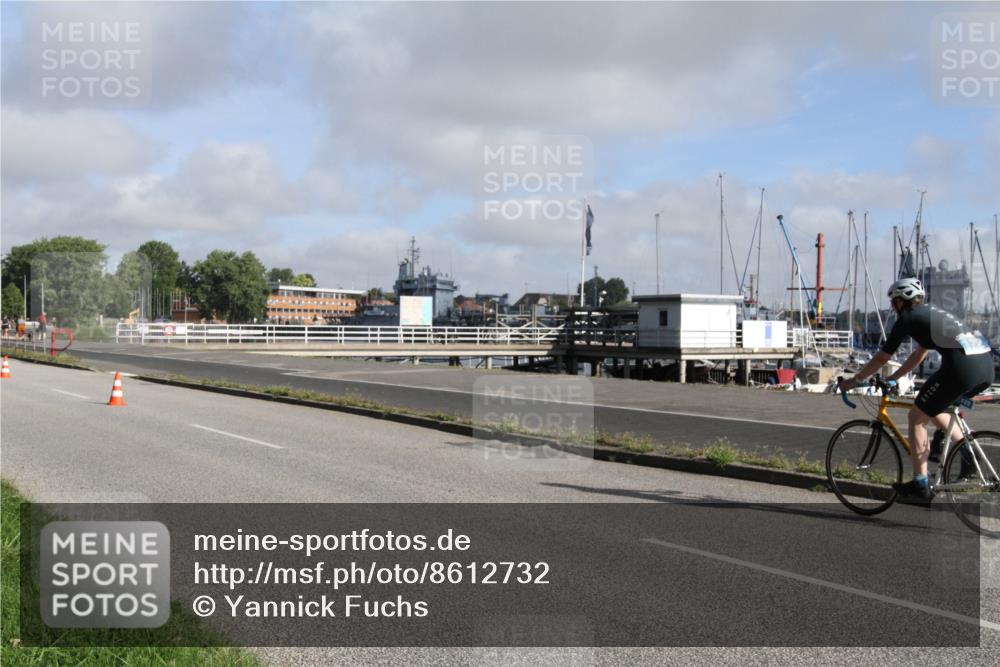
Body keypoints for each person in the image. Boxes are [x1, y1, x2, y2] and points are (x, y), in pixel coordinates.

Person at [839, 277, 994, 502]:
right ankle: (968, 456)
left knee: (916, 417)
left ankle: (920, 482)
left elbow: (883, 356)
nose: (893, 307)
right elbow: (919, 354)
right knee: (933, 409)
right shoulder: (930, 313)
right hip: (985, 368)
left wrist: (855, 380)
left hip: (962, 369)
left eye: (894, 302)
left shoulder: (908, 319)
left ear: (903, 301)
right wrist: (893, 378)